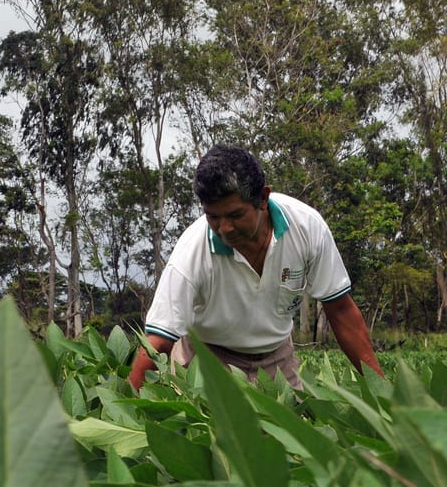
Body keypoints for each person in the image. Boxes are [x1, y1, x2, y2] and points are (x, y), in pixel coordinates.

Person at [128, 144, 383, 390]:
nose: (224, 228)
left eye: (236, 215)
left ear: (263, 199)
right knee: (209, 432)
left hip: (276, 359)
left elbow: (340, 310)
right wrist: (125, 410)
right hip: (207, 359)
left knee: (293, 430)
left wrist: (380, 392)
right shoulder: (191, 252)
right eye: (213, 217)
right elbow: (159, 341)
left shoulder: (306, 227)